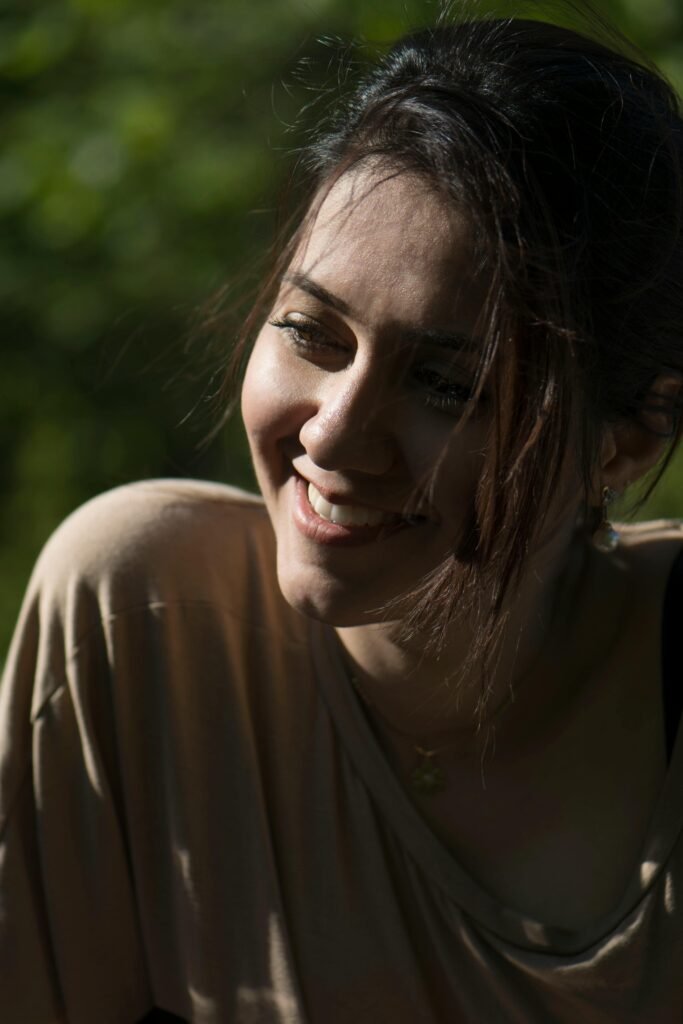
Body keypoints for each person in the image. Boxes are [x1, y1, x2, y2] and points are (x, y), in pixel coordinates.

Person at [2, 9, 683, 1023]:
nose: (334, 434)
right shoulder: (144, 624)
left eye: (447, 386)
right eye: (311, 331)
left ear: (620, 445)